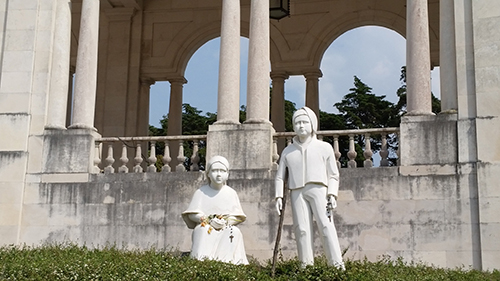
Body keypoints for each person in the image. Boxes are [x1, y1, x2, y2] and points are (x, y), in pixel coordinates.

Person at [275, 106, 345, 269]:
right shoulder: (288, 151)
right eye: (297, 122)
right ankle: (305, 267)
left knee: (326, 226)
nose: (301, 126)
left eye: (304, 122)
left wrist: (332, 194)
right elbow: (279, 176)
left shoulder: (324, 147)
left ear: (312, 124)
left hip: (319, 189)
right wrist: (278, 196)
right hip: (296, 191)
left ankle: (336, 266)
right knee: (302, 230)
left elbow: (333, 175)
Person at [182, 155, 249, 265]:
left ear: (227, 174)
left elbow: (238, 216)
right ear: (208, 173)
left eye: (222, 171)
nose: (218, 174)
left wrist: (225, 222)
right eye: (214, 171)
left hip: (225, 227)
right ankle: (201, 263)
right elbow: (192, 214)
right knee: (202, 230)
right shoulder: (201, 192)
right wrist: (207, 220)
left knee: (234, 232)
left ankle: (227, 263)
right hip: (206, 226)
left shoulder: (231, 193)